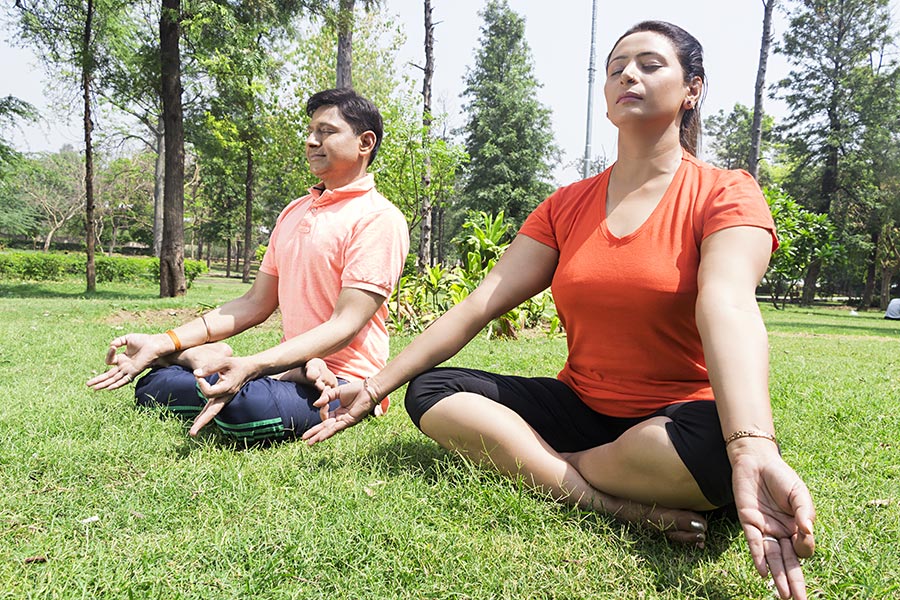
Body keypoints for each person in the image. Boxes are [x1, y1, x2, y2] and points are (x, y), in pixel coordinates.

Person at [302, 21, 816, 600]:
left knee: (715, 454)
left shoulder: (725, 192)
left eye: (650, 64)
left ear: (693, 88)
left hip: (675, 421)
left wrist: (751, 444)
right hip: (581, 404)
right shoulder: (567, 205)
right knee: (431, 392)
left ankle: (540, 462)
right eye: (617, 66)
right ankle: (602, 497)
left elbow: (728, 306)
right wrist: (375, 387)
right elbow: (481, 302)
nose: (628, 74)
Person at [86, 88, 409, 443]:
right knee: (150, 386)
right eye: (310, 131)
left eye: (326, 131)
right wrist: (165, 341)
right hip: (288, 370)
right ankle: (203, 362)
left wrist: (253, 365)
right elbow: (255, 303)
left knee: (243, 410)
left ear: (365, 142)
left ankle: (204, 365)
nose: (311, 141)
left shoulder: (379, 219)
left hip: (343, 383)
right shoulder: (294, 211)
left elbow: (344, 325)